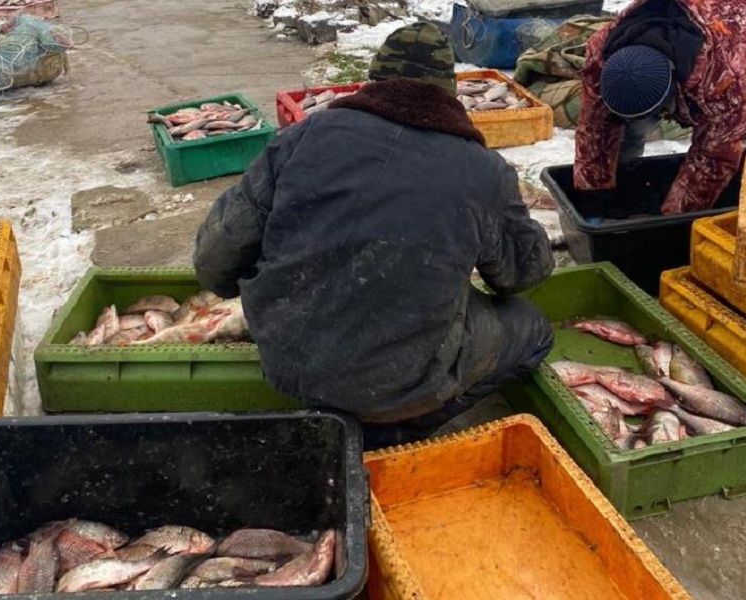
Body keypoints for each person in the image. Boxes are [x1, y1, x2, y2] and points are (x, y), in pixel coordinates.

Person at [193, 21, 554, 450]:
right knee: (532, 328)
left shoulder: (302, 138)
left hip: (289, 366)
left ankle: (357, 405)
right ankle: (397, 428)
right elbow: (521, 276)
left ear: (374, 81)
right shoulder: (482, 169)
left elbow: (214, 262)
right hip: (399, 382)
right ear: (449, 92)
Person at [574, 0, 746, 215]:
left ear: (675, 86)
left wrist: (670, 220)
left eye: (659, 111)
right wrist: (593, 196)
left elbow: (714, 157)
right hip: (722, 28)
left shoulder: (723, 77)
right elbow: (595, 128)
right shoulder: (600, 56)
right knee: (618, 130)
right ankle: (622, 186)